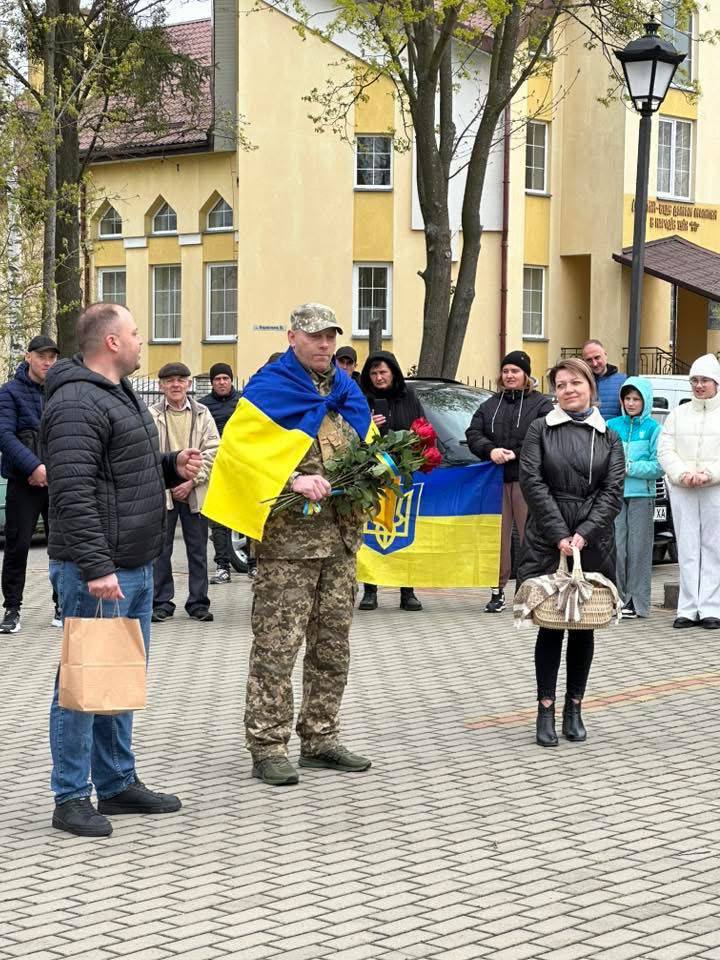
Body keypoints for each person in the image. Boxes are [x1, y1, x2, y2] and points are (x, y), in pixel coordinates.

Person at [41, 302, 203, 838]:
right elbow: (71, 490)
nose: (140, 341)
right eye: (134, 332)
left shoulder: (118, 393)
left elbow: (119, 471)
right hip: (100, 570)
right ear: (110, 343)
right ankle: (71, 797)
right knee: (84, 683)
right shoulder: (76, 401)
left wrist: (168, 464)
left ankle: (115, 784)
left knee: (119, 678)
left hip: (133, 563)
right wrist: (95, 566)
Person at [217, 303, 373, 787]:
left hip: (341, 539)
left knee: (332, 647)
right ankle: (267, 745)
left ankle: (321, 737)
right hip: (289, 546)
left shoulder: (345, 389)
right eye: (314, 337)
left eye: (330, 336)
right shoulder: (270, 387)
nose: (324, 345)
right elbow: (239, 455)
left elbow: (360, 445)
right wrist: (292, 481)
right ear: (292, 337)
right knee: (277, 647)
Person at [517, 357, 625, 747]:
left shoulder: (610, 436)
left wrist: (583, 534)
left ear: (590, 386)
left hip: (593, 540)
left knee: (583, 626)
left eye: (575, 382)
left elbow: (612, 491)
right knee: (550, 625)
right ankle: (545, 708)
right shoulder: (539, 430)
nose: (568, 390)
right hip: (550, 537)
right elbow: (532, 481)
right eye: (560, 385)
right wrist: (561, 534)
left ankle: (574, 707)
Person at [466, 350, 554, 613]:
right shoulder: (490, 404)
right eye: (506, 371)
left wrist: (516, 452)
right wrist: (489, 450)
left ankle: (529, 590)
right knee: (498, 538)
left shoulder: (541, 404)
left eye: (515, 371)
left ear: (526, 375)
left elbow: (545, 432)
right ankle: (497, 590)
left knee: (530, 537)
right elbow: (473, 432)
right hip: (495, 481)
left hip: (528, 480)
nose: (509, 375)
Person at [150, 363, 219, 623]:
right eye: (169, 381)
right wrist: (170, 482)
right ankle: (161, 602)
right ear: (161, 386)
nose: (175, 385)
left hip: (195, 491)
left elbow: (213, 450)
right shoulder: (151, 415)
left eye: (180, 380)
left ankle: (198, 603)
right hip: (163, 493)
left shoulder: (203, 413)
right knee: (160, 550)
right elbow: (148, 454)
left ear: (189, 383)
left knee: (198, 550)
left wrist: (191, 481)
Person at [0, 335, 60, 633]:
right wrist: (34, 466)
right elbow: (5, 436)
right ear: (28, 357)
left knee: (62, 548)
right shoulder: (9, 393)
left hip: (57, 483)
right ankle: (12, 609)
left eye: (52, 357)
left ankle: (63, 605)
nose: (47, 362)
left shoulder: (60, 391)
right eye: (42, 356)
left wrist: (53, 469)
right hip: (22, 483)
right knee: (17, 547)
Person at [358, 350, 425, 612]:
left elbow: (424, 429)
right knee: (372, 532)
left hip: (404, 474)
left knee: (403, 531)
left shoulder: (409, 396)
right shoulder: (362, 398)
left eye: (383, 372)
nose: (378, 377)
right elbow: (349, 434)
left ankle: (407, 591)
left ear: (393, 372)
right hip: (371, 475)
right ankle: (370, 590)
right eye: (373, 373)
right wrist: (368, 424)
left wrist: (410, 437)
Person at [658, 354, 720, 629]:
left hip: (714, 488)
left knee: (713, 547)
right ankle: (687, 607)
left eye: (704, 380)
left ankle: (711, 607)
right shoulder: (678, 413)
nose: (699, 385)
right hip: (684, 488)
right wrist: (682, 473)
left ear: (716, 383)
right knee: (687, 546)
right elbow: (665, 449)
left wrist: (710, 474)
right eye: (694, 380)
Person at [606, 377, 663, 619]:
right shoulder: (611, 425)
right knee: (616, 548)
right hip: (615, 495)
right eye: (627, 398)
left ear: (645, 401)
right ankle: (616, 599)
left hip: (642, 495)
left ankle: (636, 603)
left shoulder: (653, 428)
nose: (631, 403)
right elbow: (603, 457)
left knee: (638, 550)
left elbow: (659, 466)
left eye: (636, 399)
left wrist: (630, 467)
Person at [198, 363, 240, 584]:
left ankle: (253, 565)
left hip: (240, 466)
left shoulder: (243, 403)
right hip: (215, 469)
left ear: (231, 380)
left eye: (226, 378)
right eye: (217, 379)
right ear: (212, 382)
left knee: (245, 515)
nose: (222, 382)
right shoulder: (203, 407)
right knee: (218, 520)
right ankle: (222, 566)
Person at [581, 340, 627, 419]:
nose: (594, 363)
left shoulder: (623, 381)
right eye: (589, 360)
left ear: (605, 355)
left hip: (614, 430)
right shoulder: (580, 383)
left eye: (597, 357)